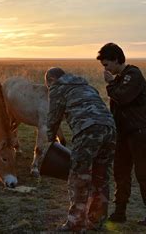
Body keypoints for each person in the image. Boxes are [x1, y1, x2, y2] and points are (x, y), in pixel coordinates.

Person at [97, 42, 146, 226]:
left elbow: (123, 98)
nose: (106, 69)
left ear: (117, 60)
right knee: (121, 172)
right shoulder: (121, 78)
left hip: (139, 132)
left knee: (143, 171)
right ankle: (120, 211)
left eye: (107, 64)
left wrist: (110, 84)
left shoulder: (133, 75)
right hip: (123, 133)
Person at [45, 67, 116, 232]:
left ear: (51, 81)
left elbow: (53, 117)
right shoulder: (86, 85)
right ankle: (96, 222)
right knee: (101, 177)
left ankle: (76, 223)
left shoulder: (57, 88)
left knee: (79, 178)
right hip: (110, 129)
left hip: (88, 131)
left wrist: (50, 142)